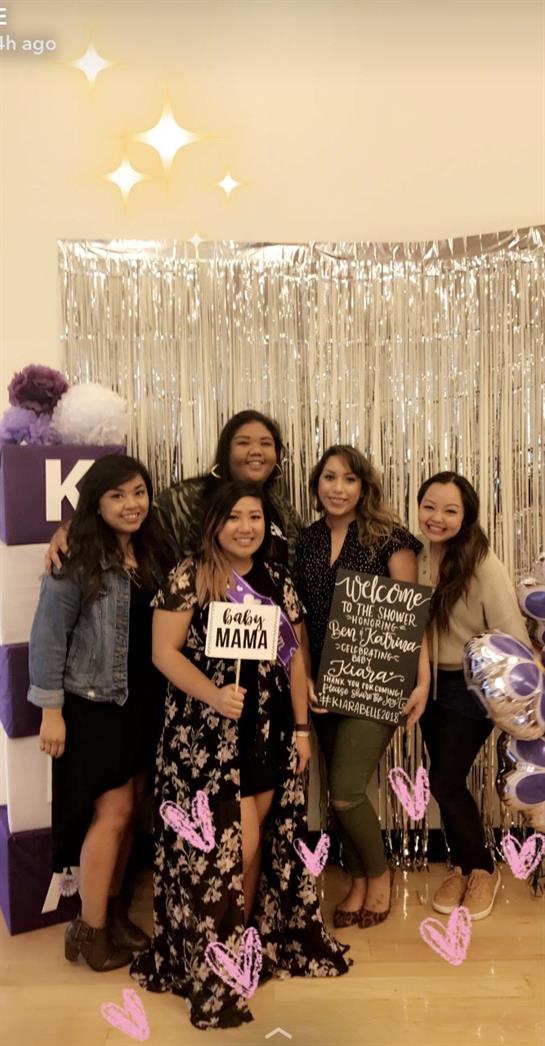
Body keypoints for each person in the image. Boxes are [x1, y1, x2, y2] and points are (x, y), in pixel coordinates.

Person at [130, 480, 350, 1030]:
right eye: (234, 517)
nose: (245, 527)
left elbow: (295, 659)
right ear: (215, 525)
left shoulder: (276, 579)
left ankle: (243, 942)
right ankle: (215, 954)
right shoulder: (191, 575)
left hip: (269, 730)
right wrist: (213, 693)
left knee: (257, 844)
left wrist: (302, 729)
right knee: (231, 845)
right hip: (204, 736)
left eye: (254, 516)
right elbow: (163, 652)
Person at [28, 454, 173, 971]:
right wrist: (50, 711)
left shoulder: (155, 551)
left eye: (138, 492)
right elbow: (47, 637)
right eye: (116, 495)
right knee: (110, 816)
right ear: (96, 502)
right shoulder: (77, 558)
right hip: (95, 707)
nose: (131, 504)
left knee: (130, 813)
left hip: (143, 705)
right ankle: (88, 932)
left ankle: (108, 916)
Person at [296, 445, 430, 929]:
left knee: (347, 790)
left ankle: (380, 875)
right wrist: (305, 677)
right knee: (335, 788)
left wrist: (423, 678)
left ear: (363, 487)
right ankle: (355, 881)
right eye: (328, 477)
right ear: (316, 485)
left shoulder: (390, 539)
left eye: (348, 479)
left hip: (378, 683)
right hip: (325, 684)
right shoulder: (306, 540)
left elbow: (411, 617)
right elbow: (302, 620)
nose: (337, 487)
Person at [417, 471, 530, 920]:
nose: (437, 517)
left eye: (450, 510)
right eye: (429, 506)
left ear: (467, 517)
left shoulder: (482, 563)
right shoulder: (415, 555)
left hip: (473, 685)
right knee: (443, 780)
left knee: (445, 779)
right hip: (428, 683)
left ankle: (482, 869)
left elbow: (512, 636)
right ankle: (461, 865)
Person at [46, 409, 301, 572]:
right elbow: (133, 518)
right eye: (243, 443)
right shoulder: (189, 497)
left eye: (266, 444)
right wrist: (71, 528)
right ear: (226, 452)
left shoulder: (283, 509)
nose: (256, 451)